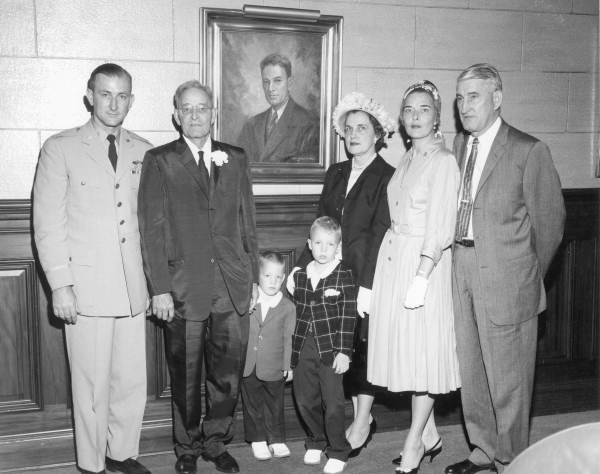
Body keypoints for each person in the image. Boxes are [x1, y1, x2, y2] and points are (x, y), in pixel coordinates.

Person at [446, 64, 565, 474]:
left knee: (510, 381)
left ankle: (512, 461)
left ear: (497, 98)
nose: (464, 106)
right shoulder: (458, 146)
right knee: (472, 370)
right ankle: (482, 451)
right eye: (460, 98)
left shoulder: (528, 150)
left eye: (473, 96)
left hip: (507, 278)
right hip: (460, 268)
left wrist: (524, 276)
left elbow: (550, 224)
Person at [33, 63, 152, 474]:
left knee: (131, 382)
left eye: (122, 96)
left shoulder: (143, 149)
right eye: (105, 94)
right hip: (84, 290)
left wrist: (156, 285)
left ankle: (122, 453)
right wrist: (61, 286)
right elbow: (47, 223)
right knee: (90, 387)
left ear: (131, 100)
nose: (114, 103)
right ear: (89, 95)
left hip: (133, 289)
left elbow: (151, 225)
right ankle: (91, 462)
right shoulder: (60, 147)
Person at [137, 80, 259, 474]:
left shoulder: (235, 157)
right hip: (183, 288)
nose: (194, 115)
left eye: (201, 108)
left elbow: (247, 222)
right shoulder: (160, 160)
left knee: (226, 372)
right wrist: (160, 289)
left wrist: (252, 278)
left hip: (231, 284)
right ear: (176, 115)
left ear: (213, 113)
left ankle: (215, 441)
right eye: (186, 109)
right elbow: (151, 230)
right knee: (186, 374)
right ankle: (186, 448)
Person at [288, 91, 396, 456]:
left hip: (364, 276)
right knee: (331, 348)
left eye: (361, 128)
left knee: (360, 348)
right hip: (326, 273)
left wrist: (366, 286)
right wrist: (300, 268)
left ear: (377, 133)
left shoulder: (387, 176)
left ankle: (363, 418)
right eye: (348, 128)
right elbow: (320, 224)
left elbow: (380, 232)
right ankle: (343, 418)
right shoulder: (335, 172)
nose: (353, 134)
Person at [367, 80, 461, 473]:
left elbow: (441, 224)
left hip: (425, 266)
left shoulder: (443, 161)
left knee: (422, 358)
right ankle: (431, 435)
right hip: (395, 261)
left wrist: (422, 275)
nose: (415, 116)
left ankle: (413, 445)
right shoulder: (406, 158)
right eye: (408, 110)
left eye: (423, 109)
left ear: (437, 116)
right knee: (407, 354)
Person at [291, 216, 358, 474]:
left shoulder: (344, 275)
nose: (322, 249)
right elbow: (293, 313)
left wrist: (344, 352)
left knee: (333, 402)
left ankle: (338, 450)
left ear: (337, 248)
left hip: (331, 350)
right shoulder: (300, 276)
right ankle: (316, 440)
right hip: (303, 347)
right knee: (305, 398)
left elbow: (347, 317)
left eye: (329, 244)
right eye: (317, 243)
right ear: (309, 244)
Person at [241, 251, 296, 461]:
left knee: (275, 403)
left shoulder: (288, 307)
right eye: (267, 276)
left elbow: (288, 338)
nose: (273, 282)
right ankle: (257, 439)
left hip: (274, 365)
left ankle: (276, 439)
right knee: (252, 403)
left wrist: (288, 365)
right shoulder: (249, 301)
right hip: (249, 364)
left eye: (278, 277)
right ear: (258, 277)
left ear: (283, 278)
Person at [237, 53, 319, 163]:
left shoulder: (308, 123)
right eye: (266, 82)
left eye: (277, 81)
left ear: (289, 83)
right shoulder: (251, 125)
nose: (270, 88)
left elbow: (305, 172)